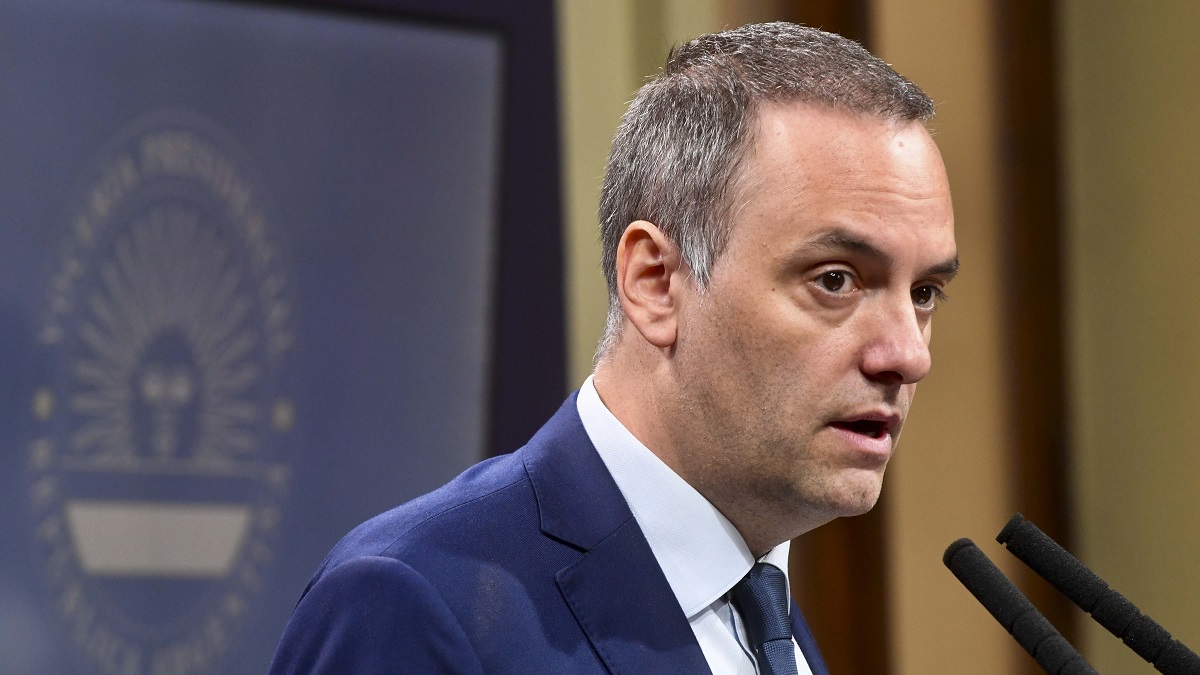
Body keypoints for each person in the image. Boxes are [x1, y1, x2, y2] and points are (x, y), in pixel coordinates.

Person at [270, 21, 957, 675]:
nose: (907, 354)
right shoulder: (417, 604)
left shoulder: (763, 608)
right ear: (656, 283)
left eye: (924, 292)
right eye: (835, 280)